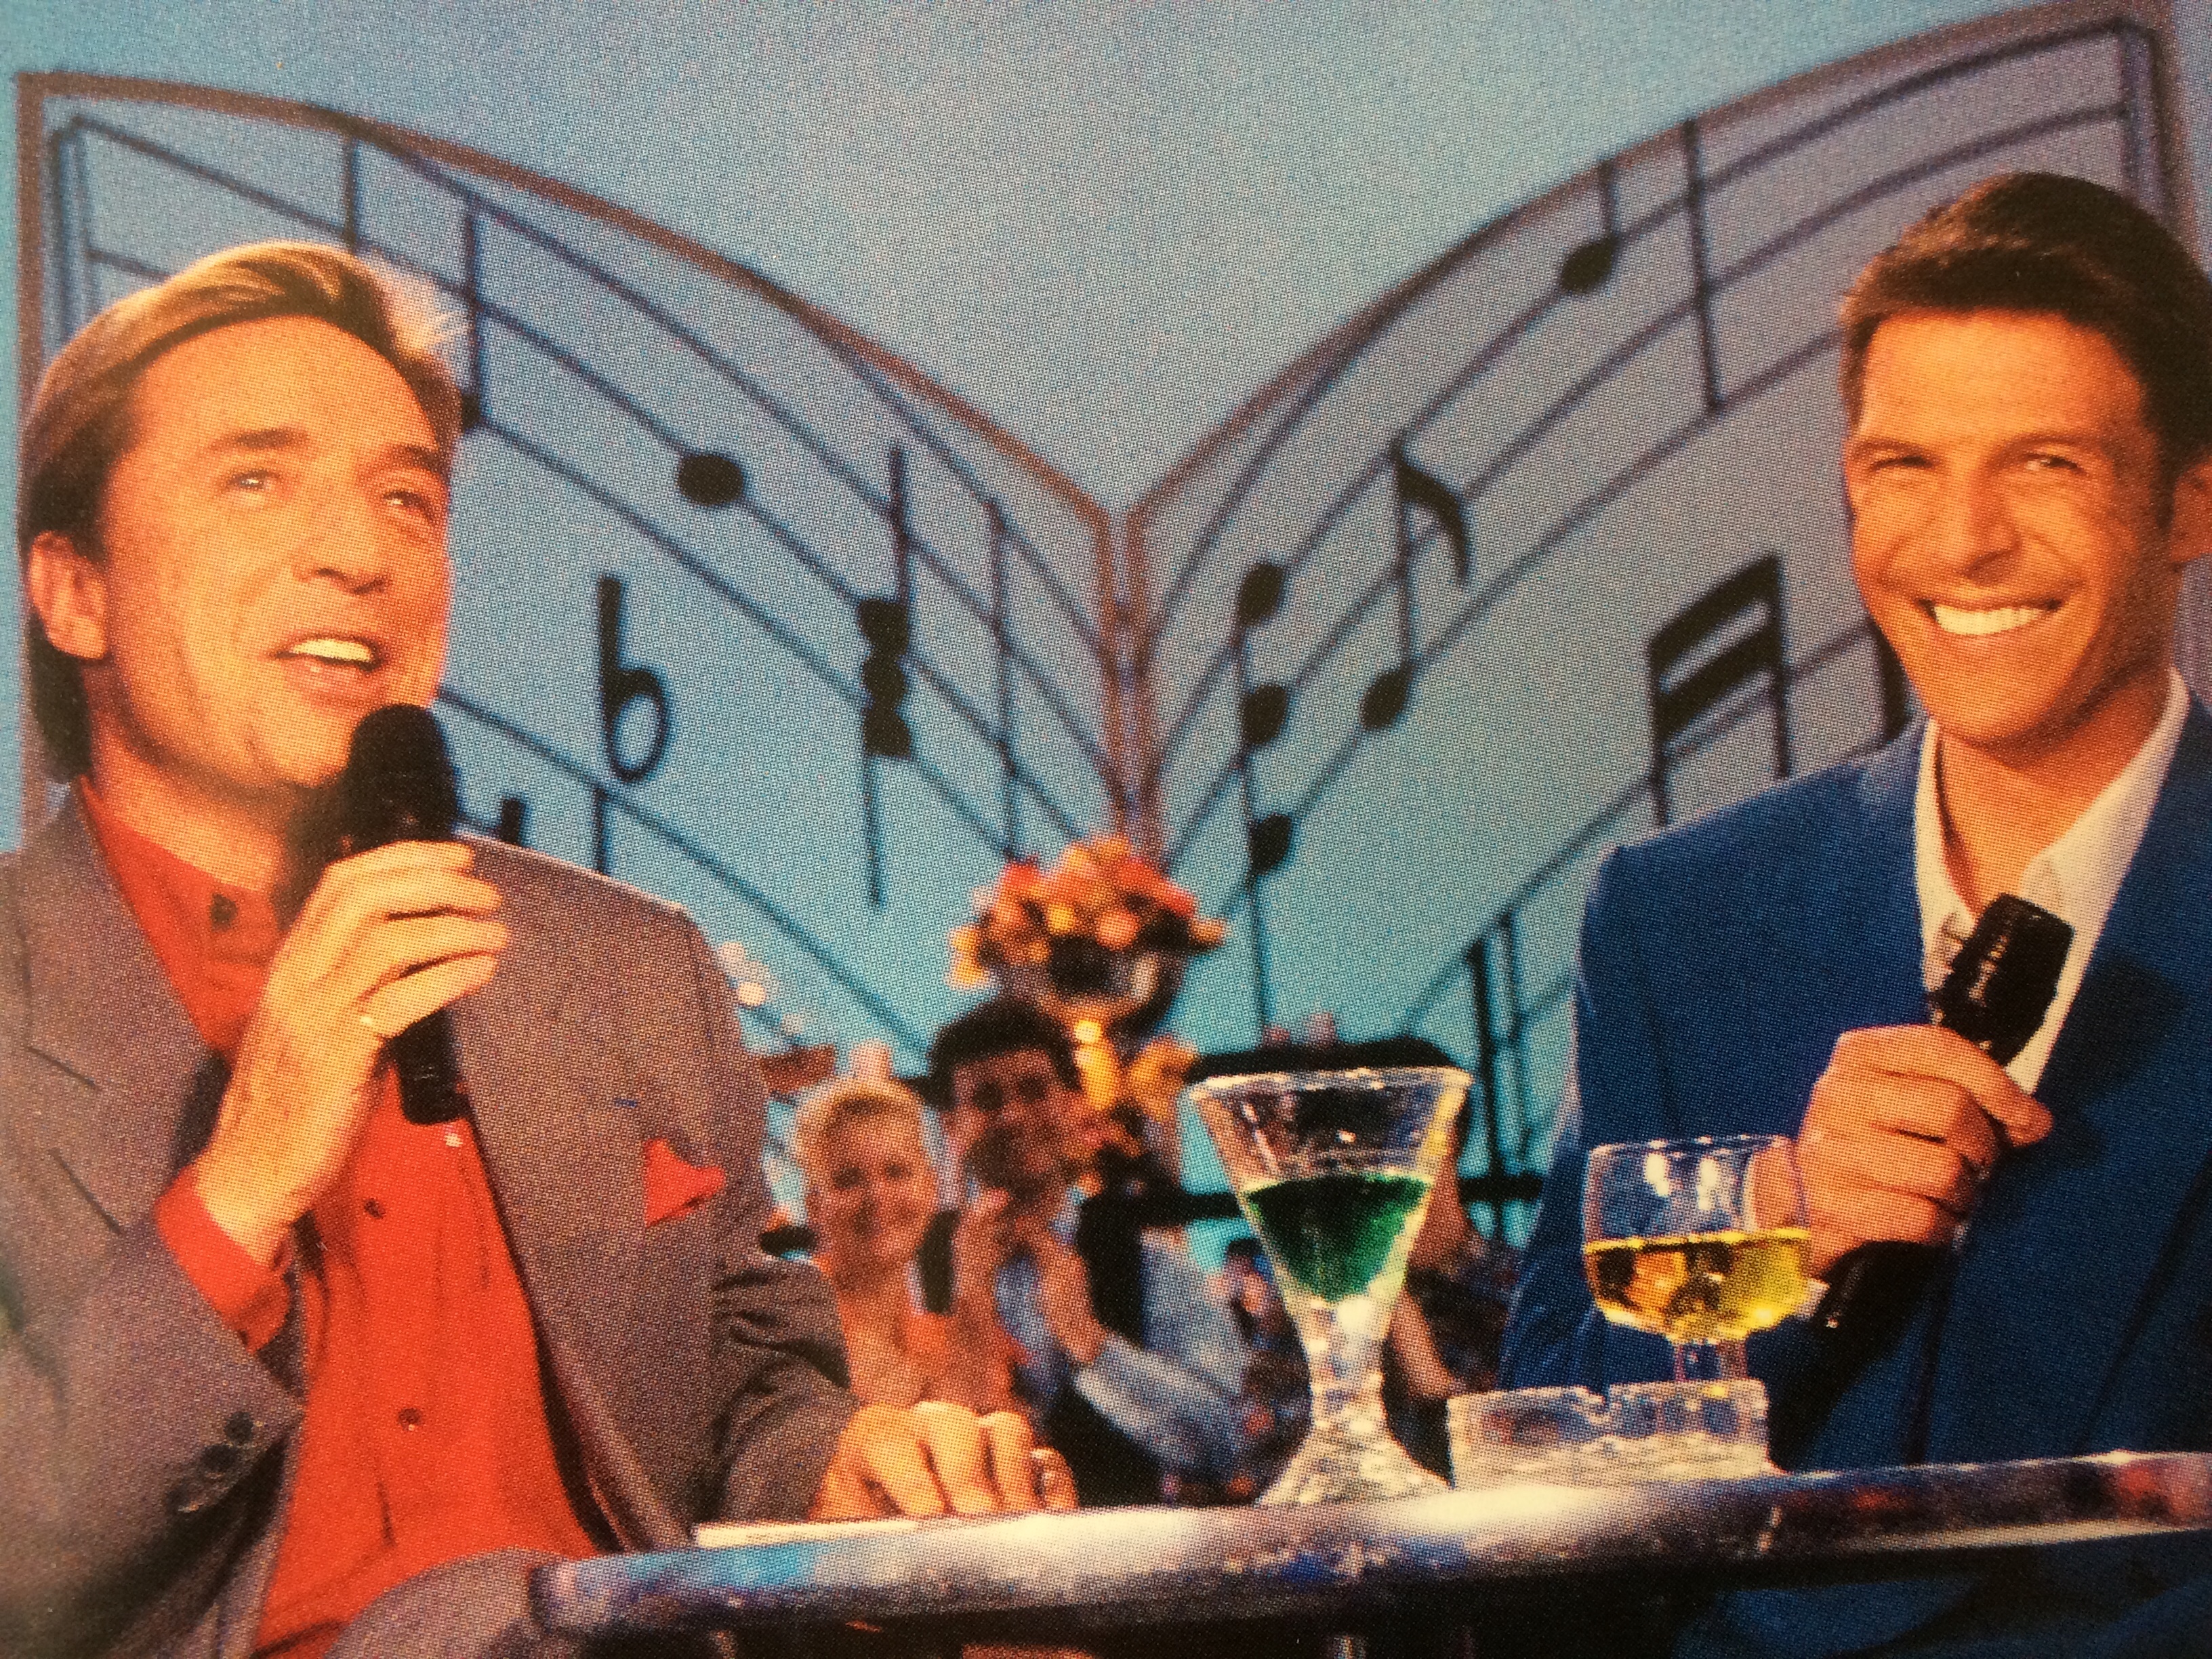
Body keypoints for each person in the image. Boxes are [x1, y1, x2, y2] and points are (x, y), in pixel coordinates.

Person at [0, 241, 1063, 1659]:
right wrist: (240, 1188)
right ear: (72, 589)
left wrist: (840, 1467)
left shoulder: (628, 966)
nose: (360, 555)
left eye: (406, 500)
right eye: (255, 480)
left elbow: (749, 1390)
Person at [1502, 173, 2212, 1655]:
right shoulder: (1676, 918)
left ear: (2189, 503)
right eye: (1904, 466)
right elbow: (1546, 1469)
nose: (1962, 541)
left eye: (2045, 465)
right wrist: (1772, 1229)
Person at [924, 996, 1246, 1506]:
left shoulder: (1151, 1262)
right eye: (986, 1099)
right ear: (950, 1124)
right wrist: (969, 1301)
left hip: (1124, 1548)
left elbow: (1228, 1445)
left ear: (1073, 1104)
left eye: (1034, 1090)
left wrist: (1091, 1343)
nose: (1013, 1115)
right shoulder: (913, 1272)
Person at [792, 1076, 1015, 1413]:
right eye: (848, 1180)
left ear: (930, 1187)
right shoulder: (795, 1317)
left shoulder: (933, 1333)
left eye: (897, 1172)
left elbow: (984, 1416)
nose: (877, 1197)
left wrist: (974, 1286)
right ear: (815, 1206)